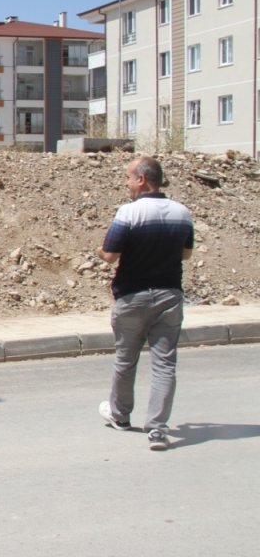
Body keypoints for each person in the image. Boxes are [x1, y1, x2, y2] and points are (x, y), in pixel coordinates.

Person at [95, 156, 194, 451]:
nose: (125, 183)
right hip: (169, 296)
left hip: (133, 297)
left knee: (126, 360)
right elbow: (186, 255)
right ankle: (158, 430)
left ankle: (120, 415)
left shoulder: (128, 213)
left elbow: (110, 254)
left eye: (128, 177)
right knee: (165, 364)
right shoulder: (182, 213)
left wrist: (100, 251)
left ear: (141, 179)